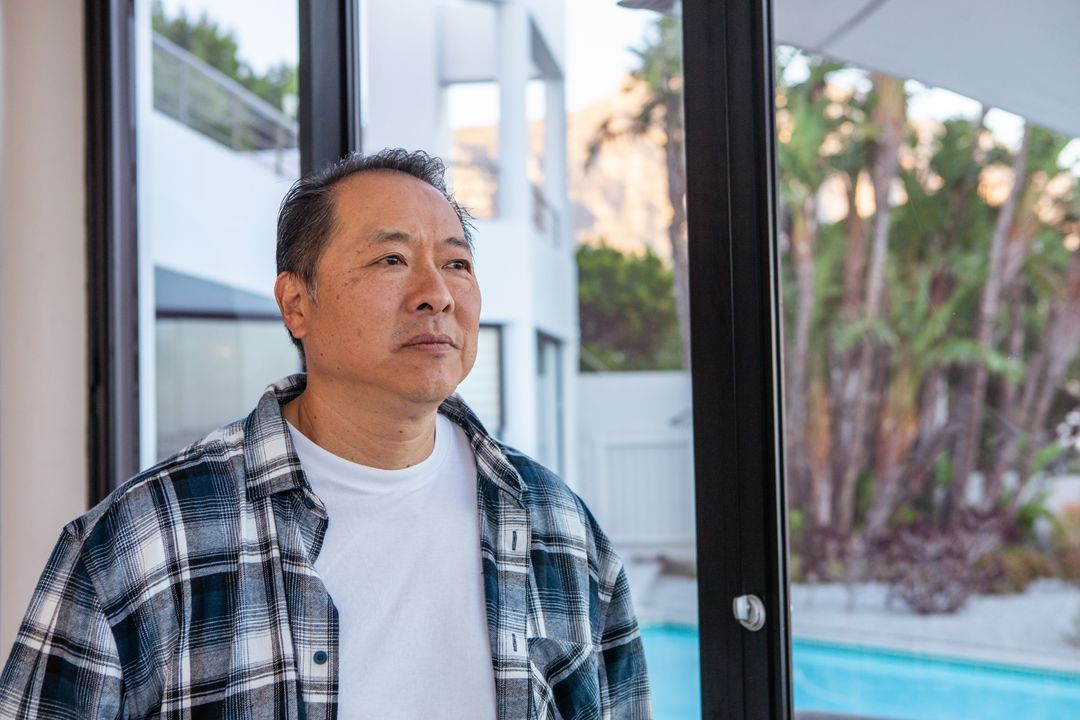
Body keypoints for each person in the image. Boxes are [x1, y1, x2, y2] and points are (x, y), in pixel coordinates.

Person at [0, 149, 651, 719]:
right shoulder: (146, 538)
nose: (437, 294)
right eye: (391, 258)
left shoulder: (556, 523)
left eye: (456, 263)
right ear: (296, 304)